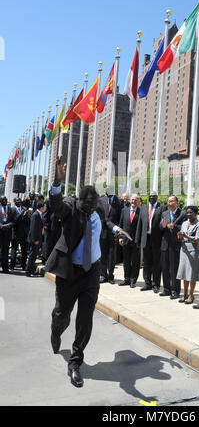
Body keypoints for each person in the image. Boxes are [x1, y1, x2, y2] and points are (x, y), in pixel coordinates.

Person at [44, 157, 128, 388]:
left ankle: (75, 362)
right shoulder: (71, 207)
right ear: (79, 201)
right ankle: (56, 330)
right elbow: (56, 205)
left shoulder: (98, 207)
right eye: (86, 207)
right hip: (70, 272)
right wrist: (57, 183)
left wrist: (117, 229)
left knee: (85, 320)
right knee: (62, 314)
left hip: (92, 273)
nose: (90, 210)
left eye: (93, 207)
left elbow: (106, 220)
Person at [135, 191, 167, 293]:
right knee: (146, 263)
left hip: (157, 240)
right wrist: (137, 239)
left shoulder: (162, 208)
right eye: (150, 196)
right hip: (146, 239)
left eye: (154, 196)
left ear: (157, 197)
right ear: (148, 197)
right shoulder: (143, 209)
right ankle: (147, 283)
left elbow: (163, 224)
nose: (152, 198)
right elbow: (139, 225)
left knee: (156, 263)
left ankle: (156, 284)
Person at [160, 195, 186, 299]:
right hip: (165, 244)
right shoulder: (164, 213)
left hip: (176, 245)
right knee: (165, 268)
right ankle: (167, 289)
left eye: (172, 201)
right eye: (169, 202)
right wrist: (162, 226)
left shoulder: (182, 214)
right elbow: (160, 226)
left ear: (177, 202)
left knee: (174, 269)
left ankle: (175, 290)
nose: (170, 204)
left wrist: (174, 227)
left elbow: (183, 228)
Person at [176, 206, 199, 304]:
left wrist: (186, 236)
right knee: (184, 273)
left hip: (193, 251)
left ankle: (191, 295)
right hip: (184, 250)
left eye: (191, 213)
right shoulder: (184, 223)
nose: (189, 214)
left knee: (191, 274)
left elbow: (197, 239)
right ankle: (185, 293)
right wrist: (180, 236)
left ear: (195, 213)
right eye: (187, 212)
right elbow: (181, 238)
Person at [98, 186, 121, 284]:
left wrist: (118, 231)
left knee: (112, 255)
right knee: (103, 255)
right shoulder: (100, 200)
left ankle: (111, 275)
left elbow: (120, 217)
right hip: (102, 232)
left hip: (113, 232)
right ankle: (103, 275)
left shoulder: (118, 201)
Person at [118, 194, 140, 288]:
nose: (133, 201)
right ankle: (126, 278)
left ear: (138, 201)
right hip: (125, 240)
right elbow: (121, 224)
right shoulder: (124, 210)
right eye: (132, 200)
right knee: (126, 260)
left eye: (135, 200)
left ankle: (133, 280)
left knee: (135, 261)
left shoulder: (141, 211)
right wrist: (120, 237)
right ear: (130, 201)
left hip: (135, 240)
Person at [25, 200, 47, 277]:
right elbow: (33, 228)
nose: (46, 207)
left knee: (34, 256)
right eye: (45, 206)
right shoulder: (36, 215)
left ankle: (31, 270)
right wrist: (35, 240)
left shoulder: (40, 214)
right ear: (41, 207)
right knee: (32, 255)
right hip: (35, 239)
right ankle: (28, 271)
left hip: (38, 238)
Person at [10, 197, 30, 271]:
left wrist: (25, 216)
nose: (19, 202)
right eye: (17, 201)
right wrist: (21, 214)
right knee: (14, 250)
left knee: (24, 250)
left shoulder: (24, 208)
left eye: (20, 201)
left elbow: (28, 220)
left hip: (23, 234)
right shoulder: (12, 209)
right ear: (14, 202)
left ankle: (23, 265)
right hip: (15, 233)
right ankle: (12, 265)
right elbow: (14, 221)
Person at [0, 196, 15, 273]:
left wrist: (7, 225)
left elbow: (13, 221)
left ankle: (5, 267)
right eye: (3, 200)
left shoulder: (10, 209)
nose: (4, 201)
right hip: (0, 231)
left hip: (7, 233)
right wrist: (1, 226)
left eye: (5, 200)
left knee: (6, 251)